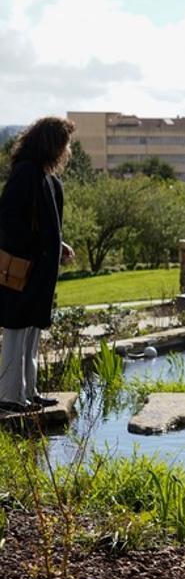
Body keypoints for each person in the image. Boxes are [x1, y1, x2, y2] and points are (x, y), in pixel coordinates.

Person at [0, 116, 76, 414]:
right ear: (52, 144)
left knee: (31, 331)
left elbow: (45, 224)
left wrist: (59, 244)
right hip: (25, 269)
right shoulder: (26, 173)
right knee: (17, 331)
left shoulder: (47, 178)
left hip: (39, 272)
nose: (67, 150)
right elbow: (8, 219)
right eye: (65, 143)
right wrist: (36, 249)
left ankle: (28, 392)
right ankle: (9, 396)